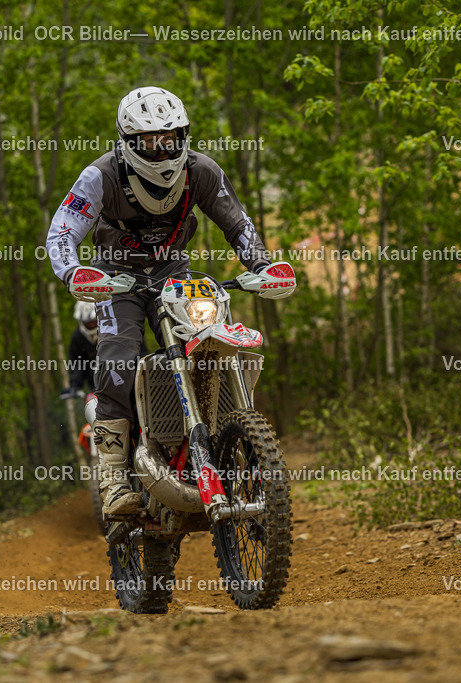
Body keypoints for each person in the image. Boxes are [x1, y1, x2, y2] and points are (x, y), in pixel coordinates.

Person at [46, 86, 288, 518]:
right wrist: (73, 272)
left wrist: (262, 264)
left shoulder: (202, 171)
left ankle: (225, 439)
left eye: (170, 138)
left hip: (174, 276)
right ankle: (115, 476)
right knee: (119, 359)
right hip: (116, 279)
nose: (162, 149)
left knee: (213, 342)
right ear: (127, 141)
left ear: (183, 135)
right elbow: (62, 230)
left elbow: (239, 224)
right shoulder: (100, 176)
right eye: (150, 141)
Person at [60, 302, 99, 400]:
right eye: (88, 322)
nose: (91, 324)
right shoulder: (78, 337)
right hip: (94, 387)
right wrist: (75, 386)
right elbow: (76, 363)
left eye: (93, 321)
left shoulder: (112, 332)